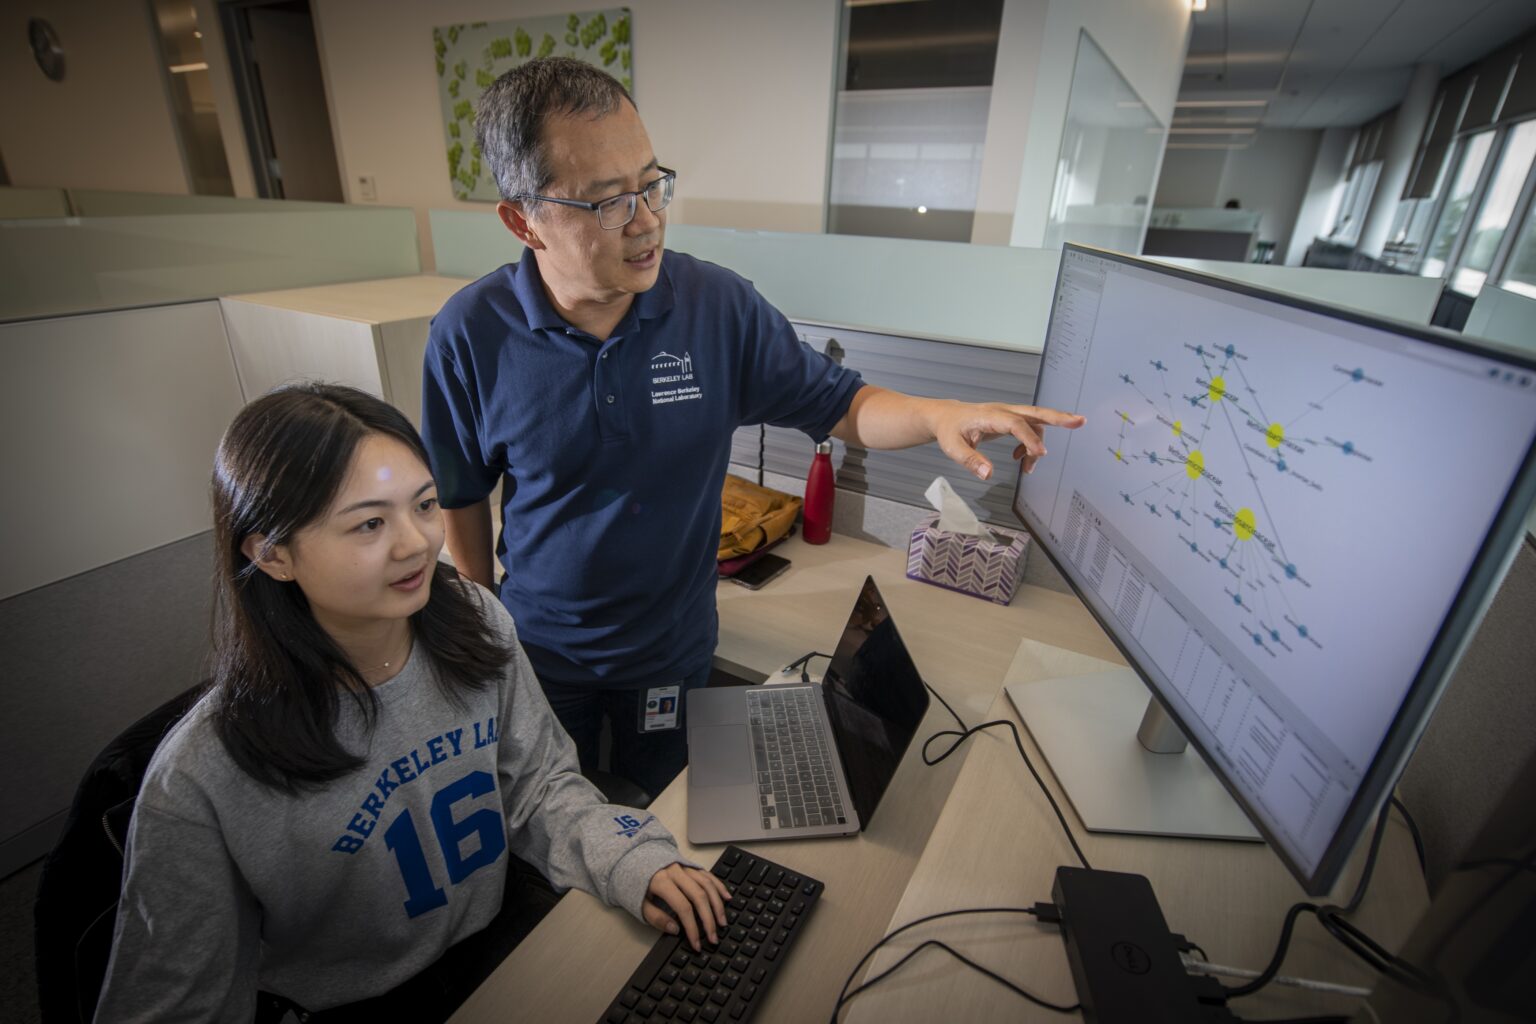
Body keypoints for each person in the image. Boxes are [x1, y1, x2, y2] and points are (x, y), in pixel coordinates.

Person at [421, 57, 1086, 799]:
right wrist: (486, 628)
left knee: (674, 820)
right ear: (523, 219)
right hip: (541, 650)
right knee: (554, 825)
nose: (645, 221)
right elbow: (461, 491)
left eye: (651, 183)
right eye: (608, 202)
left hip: (673, 652)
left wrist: (938, 415)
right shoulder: (470, 333)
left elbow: (844, 405)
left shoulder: (716, 308)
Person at [94, 383, 727, 1022]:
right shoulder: (203, 775)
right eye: (369, 523)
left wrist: (627, 857)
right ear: (273, 554)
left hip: (498, 942)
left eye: (424, 505)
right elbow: (178, 1002)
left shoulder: (476, 621)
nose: (416, 544)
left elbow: (536, 786)